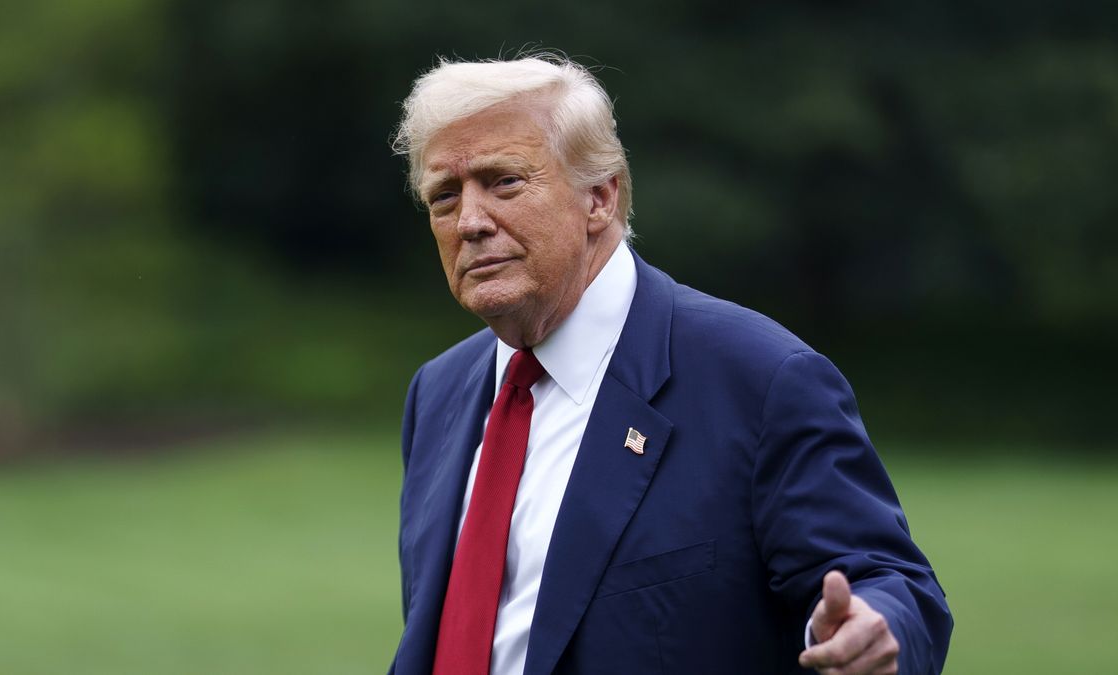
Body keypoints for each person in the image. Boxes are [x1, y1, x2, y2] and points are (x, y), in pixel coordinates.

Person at [388, 54, 952, 675]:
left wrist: (877, 627)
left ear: (599, 199)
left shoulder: (760, 379)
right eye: (444, 196)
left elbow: (893, 584)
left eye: (504, 182)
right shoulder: (438, 393)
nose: (469, 221)